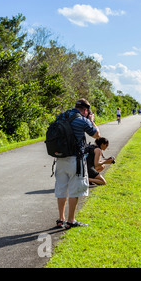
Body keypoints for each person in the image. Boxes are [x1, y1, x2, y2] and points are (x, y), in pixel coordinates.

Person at [54, 98, 100, 230]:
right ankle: (71, 220)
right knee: (74, 190)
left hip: (60, 158)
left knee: (61, 188)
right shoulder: (82, 120)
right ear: (86, 110)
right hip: (76, 160)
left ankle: (60, 219)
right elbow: (97, 135)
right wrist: (91, 121)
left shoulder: (61, 116)